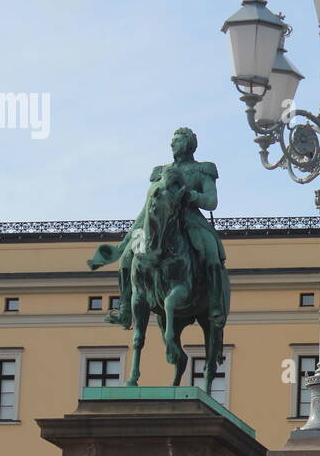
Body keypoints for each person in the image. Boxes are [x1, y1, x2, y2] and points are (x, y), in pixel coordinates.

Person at [88, 127, 230, 330]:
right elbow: (147, 208)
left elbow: (212, 201)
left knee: (211, 251)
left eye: (178, 140)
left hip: (190, 221)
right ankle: (126, 309)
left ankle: (215, 303)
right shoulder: (159, 173)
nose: (172, 144)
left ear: (189, 144)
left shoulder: (203, 169)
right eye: (172, 141)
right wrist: (125, 242)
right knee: (128, 258)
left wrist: (191, 196)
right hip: (157, 224)